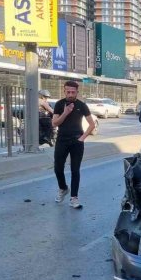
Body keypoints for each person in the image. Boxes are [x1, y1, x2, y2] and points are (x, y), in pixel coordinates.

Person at [52, 81, 97, 209]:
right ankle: (63, 188)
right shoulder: (59, 104)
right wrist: (65, 112)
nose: (71, 94)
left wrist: (82, 138)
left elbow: (92, 124)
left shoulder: (82, 105)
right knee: (58, 168)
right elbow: (54, 123)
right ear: (64, 91)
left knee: (75, 170)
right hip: (62, 140)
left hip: (77, 141)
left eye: (73, 92)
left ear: (77, 92)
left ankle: (74, 197)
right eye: (68, 91)